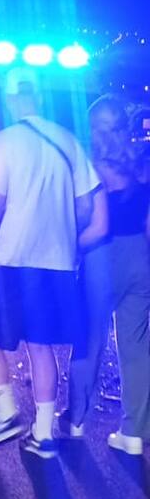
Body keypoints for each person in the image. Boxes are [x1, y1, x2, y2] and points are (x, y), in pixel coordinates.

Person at [0, 68, 101, 458]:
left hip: (12, 260)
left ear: (10, 99)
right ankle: (43, 435)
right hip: (57, 264)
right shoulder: (68, 142)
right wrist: (64, 234)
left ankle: (6, 412)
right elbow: (86, 205)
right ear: (39, 97)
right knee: (41, 347)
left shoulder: (4, 141)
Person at [67, 96, 150, 455]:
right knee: (137, 346)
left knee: (89, 339)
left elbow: (89, 222)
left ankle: (76, 421)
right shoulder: (142, 166)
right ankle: (133, 433)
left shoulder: (89, 167)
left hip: (103, 257)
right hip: (140, 257)